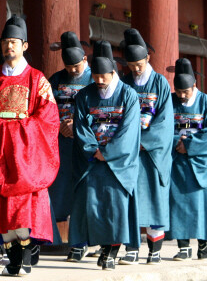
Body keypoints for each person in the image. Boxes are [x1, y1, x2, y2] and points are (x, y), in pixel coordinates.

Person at [0, 17, 60, 276]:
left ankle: (26, 256)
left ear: (25, 46)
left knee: (22, 210)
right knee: (1, 211)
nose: (9, 47)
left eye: (14, 42)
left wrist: (19, 131)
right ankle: (14, 259)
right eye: (6, 42)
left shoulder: (37, 79)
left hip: (24, 155)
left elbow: (49, 117)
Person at [68, 40, 141, 270]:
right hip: (92, 162)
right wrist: (93, 150)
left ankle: (113, 250)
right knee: (94, 206)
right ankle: (100, 246)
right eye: (96, 76)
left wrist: (107, 152)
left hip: (118, 163)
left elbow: (129, 131)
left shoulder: (128, 95)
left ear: (113, 72)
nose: (99, 81)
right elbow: (80, 127)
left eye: (104, 77)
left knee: (117, 208)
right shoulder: (84, 96)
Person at [118, 29, 173, 265]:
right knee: (130, 199)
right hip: (129, 153)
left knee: (153, 199)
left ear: (147, 59)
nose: (136, 69)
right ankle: (131, 249)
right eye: (132, 65)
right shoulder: (124, 82)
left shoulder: (160, 82)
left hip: (152, 154)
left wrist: (143, 141)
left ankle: (155, 249)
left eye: (139, 64)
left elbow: (165, 122)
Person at [166, 58, 207, 260]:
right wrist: (176, 142)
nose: (181, 96)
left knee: (202, 203)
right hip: (177, 161)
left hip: (200, 162)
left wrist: (189, 145)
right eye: (179, 91)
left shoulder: (206, 102)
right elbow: (162, 128)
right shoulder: (170, 101)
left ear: (194, 86)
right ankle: (183, 246)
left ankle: (203, 244)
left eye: (186, 92)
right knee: (179, 203)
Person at [48, 31, 92, 248]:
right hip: (60, 143)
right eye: (69, 67)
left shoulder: (95, 78)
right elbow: (46, 108)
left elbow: (101, 110)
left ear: (85, 59)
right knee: (58, 190)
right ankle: (56, 240)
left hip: (86, 144)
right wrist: (59, 126)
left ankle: (83, 240)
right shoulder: (56, 79)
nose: (73, 71)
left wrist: (77, 126)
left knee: (84, 190)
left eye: (77, 66)